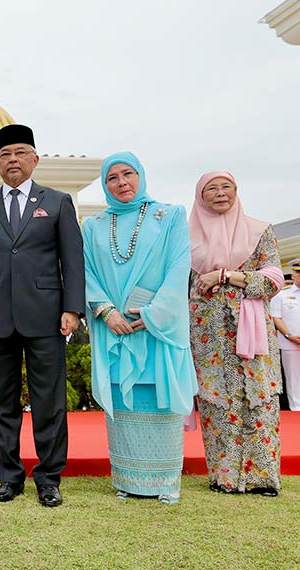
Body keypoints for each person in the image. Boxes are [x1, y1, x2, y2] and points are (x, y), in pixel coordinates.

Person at [0, 124, 84, 507]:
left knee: (49, 401)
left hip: (46, 317)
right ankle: (9, 478)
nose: (12, 160)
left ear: (34, 159)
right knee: (3, 402)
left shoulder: (58, 202)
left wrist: (72, 308)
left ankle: (49, 479)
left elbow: (72, 260)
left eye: (19, 152)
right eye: (5, 155)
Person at [83, 152, 198, 504]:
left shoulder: (170, 216)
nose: (121, 183)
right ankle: (128, 479)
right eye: (112, 178)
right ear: (105, 185)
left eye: (128, 174)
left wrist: (152, 314)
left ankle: (165, 483)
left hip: (157, 328)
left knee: (158, 397)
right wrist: (106, 312)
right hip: (113, 328)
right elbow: (85, 270)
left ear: (141, 175)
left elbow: (180, 266)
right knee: (123, 399)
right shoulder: (93, 225)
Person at [189, 171, 284, 496]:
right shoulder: (187, 237)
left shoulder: (259, 231)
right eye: (211, 188)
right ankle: (223, 477)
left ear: (236, 191)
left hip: (254, 335)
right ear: (200, 196)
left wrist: (226, 275)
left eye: (226, 187)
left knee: (259, 401)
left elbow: (273, 279)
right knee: (217, 403)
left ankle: (262, 479)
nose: (219, 193)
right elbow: (181, 286)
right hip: (208, 334)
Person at [272, 259, 300, 411]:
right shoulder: (282, 295)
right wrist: (289, 335)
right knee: (294, 381)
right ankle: (297, 410)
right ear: (293, 275)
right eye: (297, 272)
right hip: (291, 343)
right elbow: (276, 317)